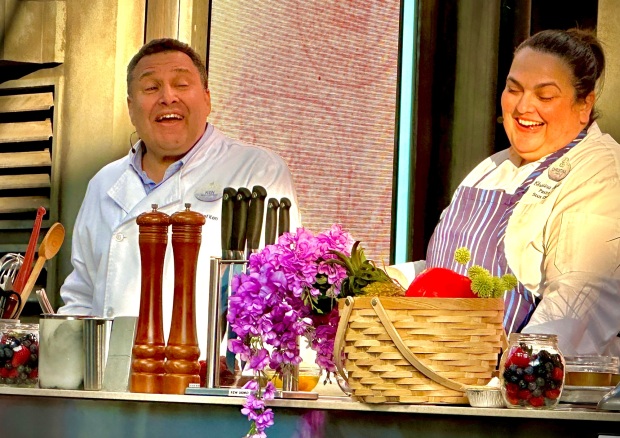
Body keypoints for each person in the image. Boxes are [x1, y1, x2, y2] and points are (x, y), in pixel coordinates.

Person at [57, 38, 301, 359]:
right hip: (110, 385)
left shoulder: (256, 171)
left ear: (207, 99)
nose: (167, 97)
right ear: (131, 108)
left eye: (181, 84)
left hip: (206, 387)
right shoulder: (104, 183)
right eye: (151, 88)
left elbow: (278, 291)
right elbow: (81, 297)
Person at [397, 28, 620, 357]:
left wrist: (520, 372)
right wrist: (375, 280)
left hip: (519, 398)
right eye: (513, 90)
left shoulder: (601, 172)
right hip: (444, 374)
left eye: (545, 96)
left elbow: (577, 303)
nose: (523, 106)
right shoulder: (492, 166)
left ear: (584, 103)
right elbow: (448, 269)